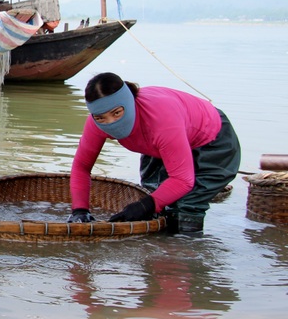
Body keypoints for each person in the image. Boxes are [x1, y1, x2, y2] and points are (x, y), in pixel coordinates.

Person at [67, 72, 240, 234]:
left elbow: (182, 180)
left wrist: (146, 205)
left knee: (186, 205)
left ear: (129, 103)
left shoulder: (162, 120)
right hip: (157, 143)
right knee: (152, 193)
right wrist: (80, 210)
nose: (111, 124)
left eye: (117, 113)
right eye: (101, 118)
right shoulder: (96, 122)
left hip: (211, 141)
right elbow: (82, 167)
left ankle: (185, 255)